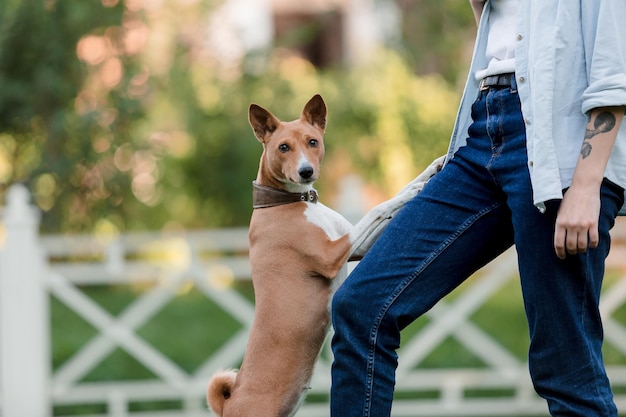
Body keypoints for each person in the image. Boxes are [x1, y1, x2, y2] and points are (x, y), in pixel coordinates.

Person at [330, 0, 626, 415]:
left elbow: (615, 70)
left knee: (566, 369)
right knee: (362, 304)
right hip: (484, 130)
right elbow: (507, 40)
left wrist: (586, 183)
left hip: (560, 151)